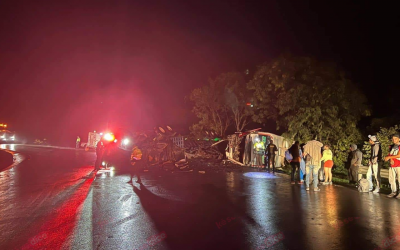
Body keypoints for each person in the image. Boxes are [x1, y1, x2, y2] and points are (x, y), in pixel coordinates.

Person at [384, 133, 400, 198]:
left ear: (399, 139)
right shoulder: (391, 146)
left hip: (399, 165)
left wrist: (390, 158)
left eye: (395, 139)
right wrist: (389, 159)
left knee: (399, 179)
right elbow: (390, 155)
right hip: (392, 165)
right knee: (391, 179)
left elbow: (399, 155)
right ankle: (394, 191)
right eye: (393, 139)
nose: (394, 140)